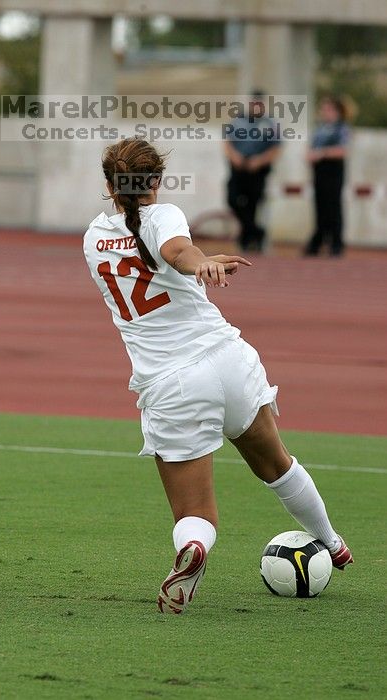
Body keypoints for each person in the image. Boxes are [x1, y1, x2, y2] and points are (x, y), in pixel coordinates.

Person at [83, 137, 353, 615]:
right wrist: (201, 262)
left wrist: (194, 260)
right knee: (277, 464)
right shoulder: (163, 215)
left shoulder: (92, 239)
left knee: (196, 515)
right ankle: (331, 542)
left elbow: (170, 251)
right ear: (156, 183)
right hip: (229, 359)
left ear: (109, 186)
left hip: (174, 385)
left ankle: (196, 552)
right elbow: (176, 249)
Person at [224, 90, 280, 252]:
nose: (256, 107)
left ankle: (248, 241)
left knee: (253, 204)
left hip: (258, 170)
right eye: (254, 104)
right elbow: (227, 142)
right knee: (232, 199)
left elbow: (275, 148)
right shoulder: (238, 121)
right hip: (238, 168)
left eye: (259, 104)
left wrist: (260, 160)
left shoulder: (270, 124)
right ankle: (256, 232)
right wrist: (235, 157)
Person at [304, 96, 350, 257]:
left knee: (333, 208)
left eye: (328, 109)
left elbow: (343, 150)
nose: (325, 112)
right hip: (320, 172)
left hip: (333, 172)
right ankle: (319, 240)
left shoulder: (341, 128)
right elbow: (311, 149)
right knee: (320, 208)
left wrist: (322, 153)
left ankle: (336, 243)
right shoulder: (320, 128)